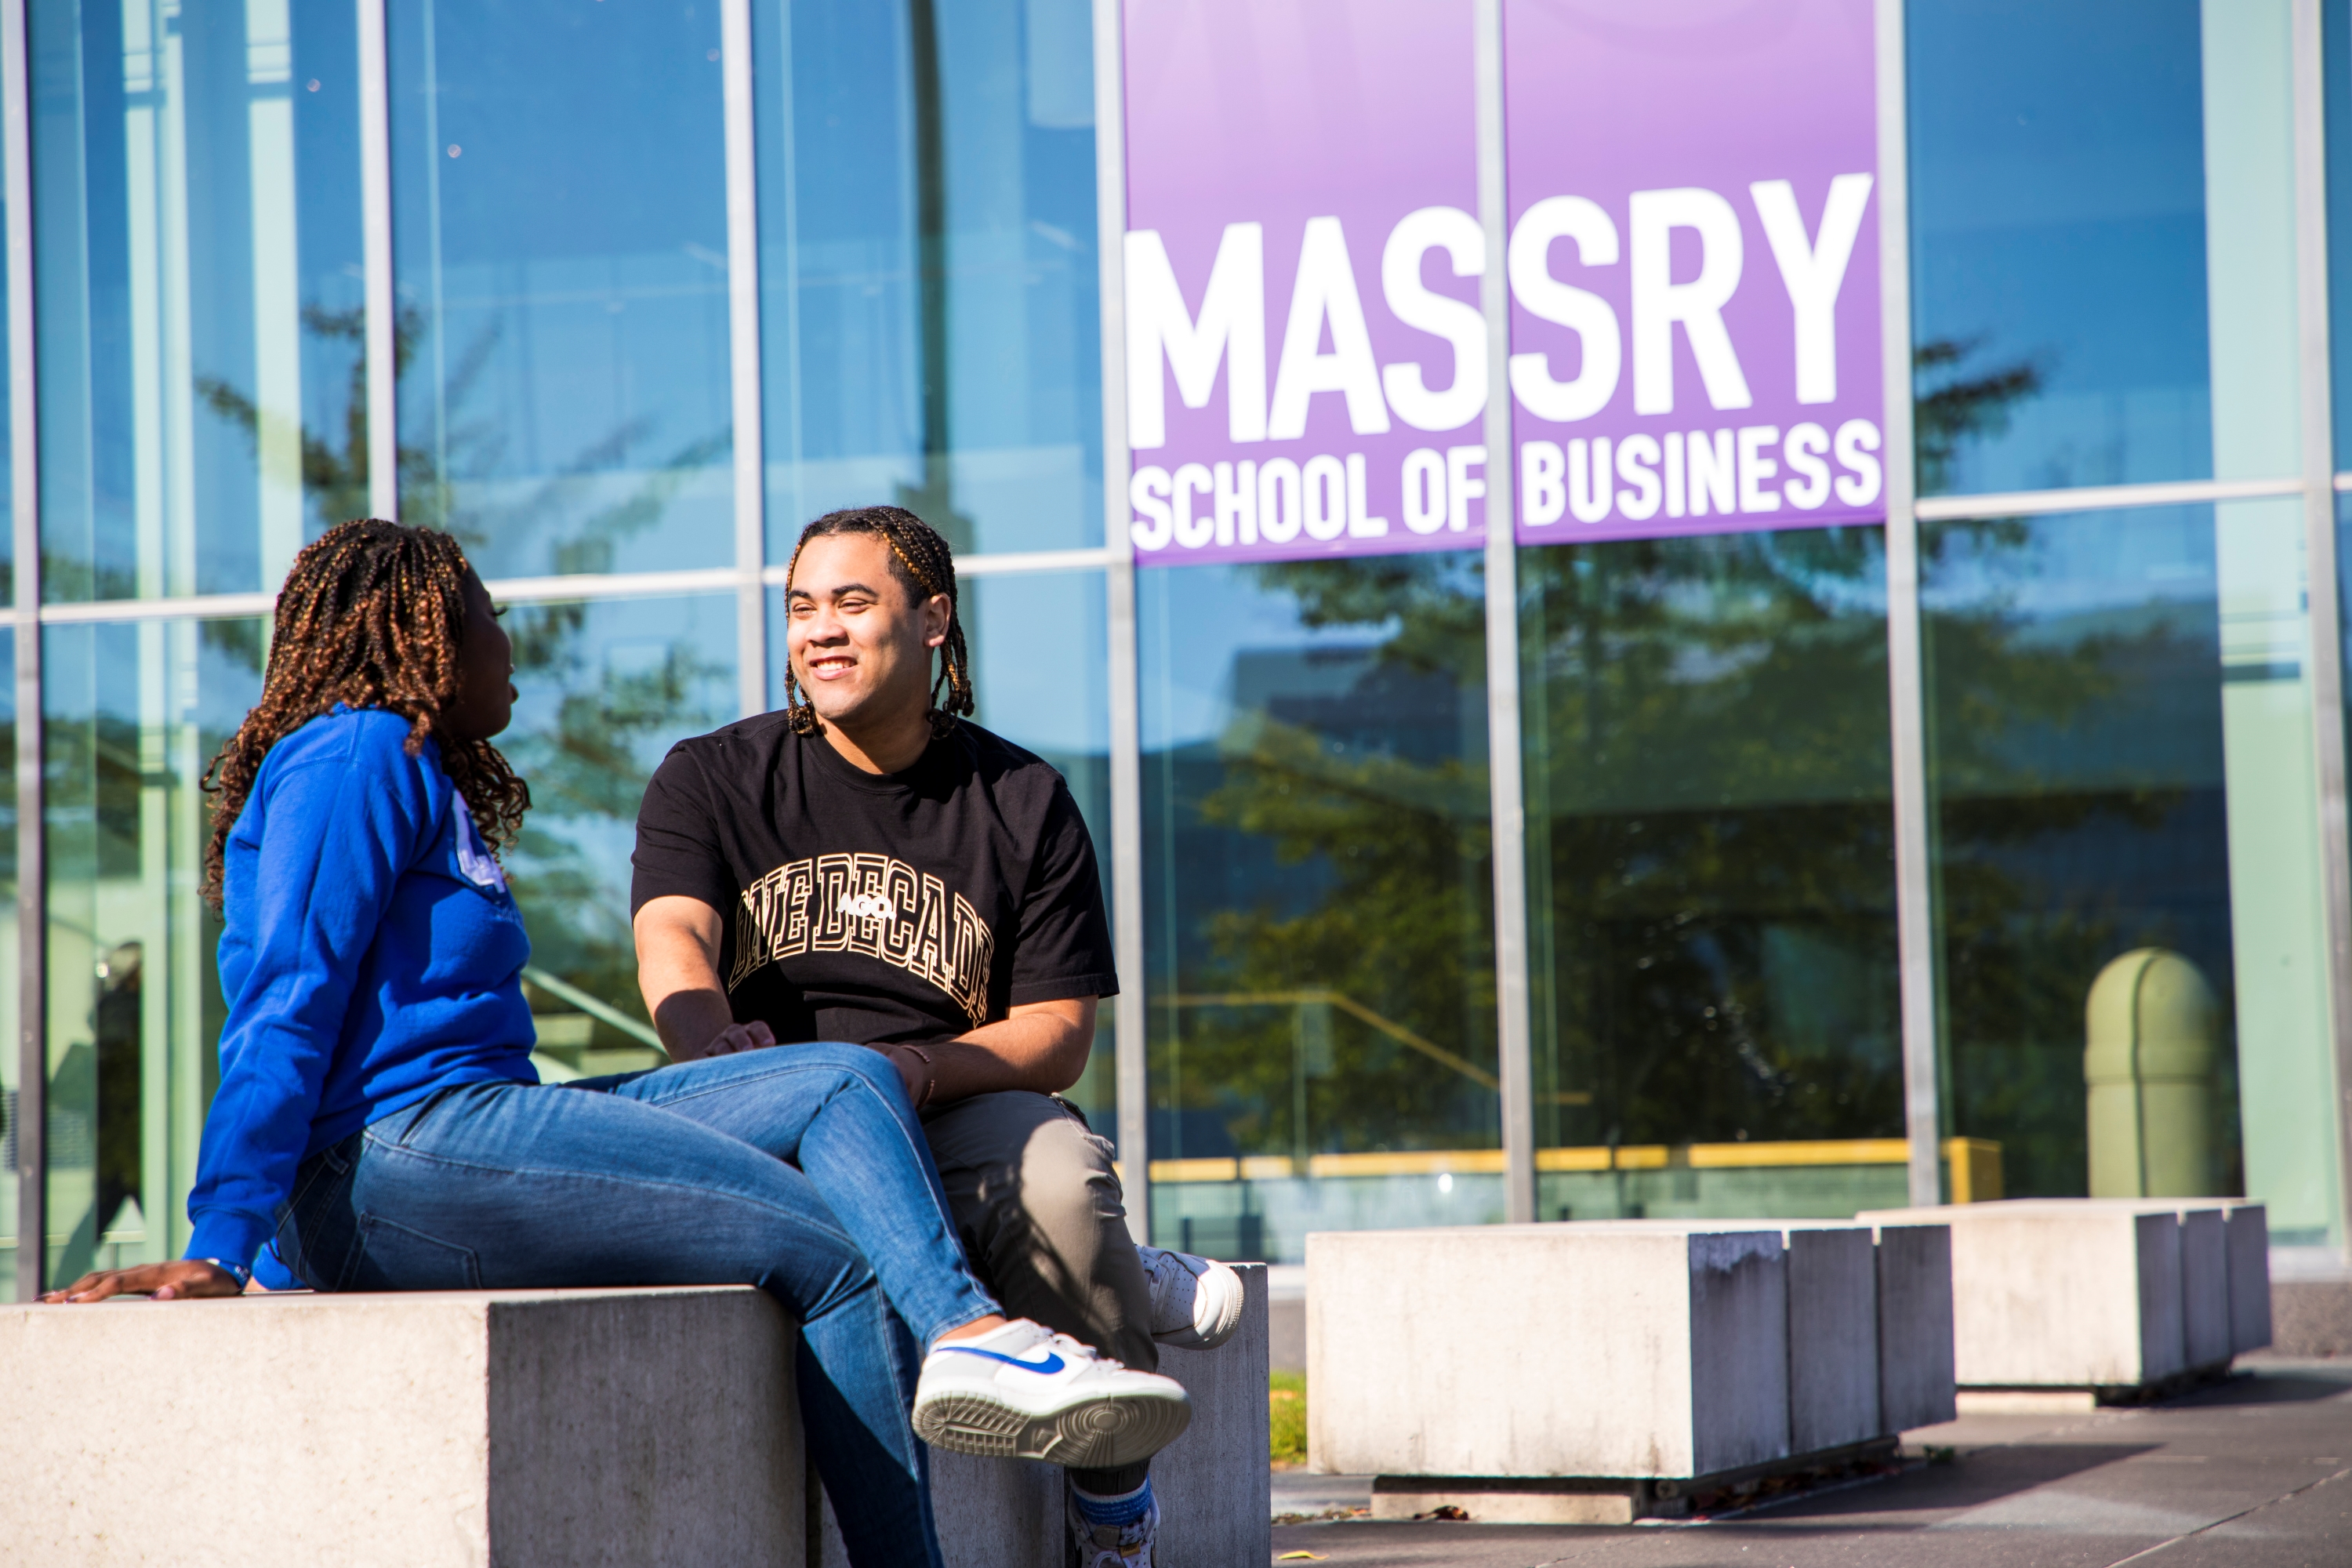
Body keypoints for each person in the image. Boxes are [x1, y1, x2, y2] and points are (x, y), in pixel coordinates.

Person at [42, 518, 1192, 1568]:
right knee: (837, 1250)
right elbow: (288, 997)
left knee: (839, 1077)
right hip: (402, 1152)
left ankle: (977, 1328)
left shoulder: (415, 771)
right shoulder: (355, 756)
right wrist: (228, 1239)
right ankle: (960, 1362)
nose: (508, 643)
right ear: (426, 632)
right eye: (489, 616)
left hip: (464, 1128)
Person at [631, 504, 1243, 1568]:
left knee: (1059, 1186)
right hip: (778, 1106)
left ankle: (1110, 1514)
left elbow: (1056, 1033)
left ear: (932, 622)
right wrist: (707, 1037)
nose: (821, 629)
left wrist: (914, 1067)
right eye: (802, 607)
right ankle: (1118, 1271)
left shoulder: (1023, 799)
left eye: (854, 603)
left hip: (961, 1109)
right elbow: (673, 932)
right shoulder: (713, 775)